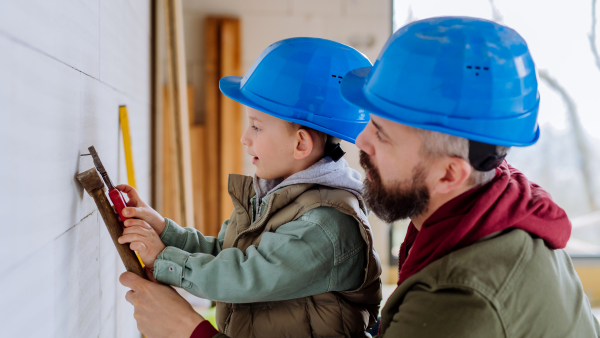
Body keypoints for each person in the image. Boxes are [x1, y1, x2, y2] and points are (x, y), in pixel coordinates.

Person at [120, 17, 600, 337]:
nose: (360, 141)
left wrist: (189, 330)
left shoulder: (461, 303)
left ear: (450, 173)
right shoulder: (473, 217)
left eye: (382, 133)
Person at [117, 37, 382, 338]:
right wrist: (165, 232)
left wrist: (163, 258)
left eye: (256, 126)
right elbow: (226, 254)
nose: (245, 137)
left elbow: (245, 275)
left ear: (300, 143)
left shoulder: (326, 225)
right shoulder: (275, 197)